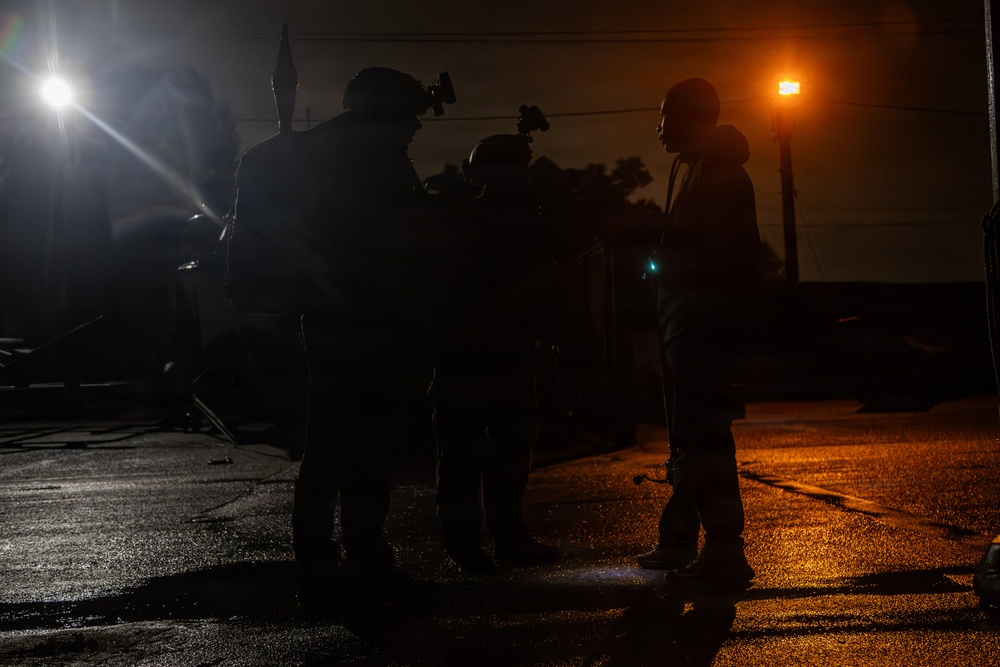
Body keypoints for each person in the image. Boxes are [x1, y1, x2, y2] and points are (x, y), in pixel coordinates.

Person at [230, 67, 443, 578]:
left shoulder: (339, 151)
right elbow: (390, 236)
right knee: (359, 438)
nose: (415, 128)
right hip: (360, 315)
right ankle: (357, 546)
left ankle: (324, 546)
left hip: (341, 314)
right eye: (408, 118)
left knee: (336, 437)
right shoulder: (365, 158)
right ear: (385, 113)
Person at [637, 78, 761, 588]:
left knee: (704, 440)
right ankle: (681, 538)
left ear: (690, 118)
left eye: (666, 116)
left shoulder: (718, 174)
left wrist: (666, 265)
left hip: (702, 328)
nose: (660, 127)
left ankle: (725, 553)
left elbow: (720, 259)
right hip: (689, 324)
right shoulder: (698, 168)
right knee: (693, 437)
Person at [429, 132, 560, 573]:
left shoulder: (471, 218)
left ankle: (485, 541)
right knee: (484, 453)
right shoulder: (500, 223)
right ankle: (486, 542)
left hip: (481, 354)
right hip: (482, 354)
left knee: (484, 453)